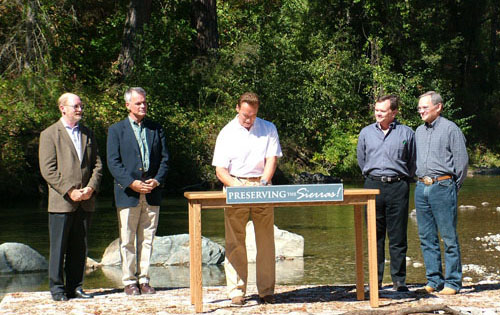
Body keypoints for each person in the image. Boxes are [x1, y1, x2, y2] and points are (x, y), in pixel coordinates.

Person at [212, 92, 282, 306]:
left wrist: (263, 183)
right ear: (237, 109)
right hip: (235, 184)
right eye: (244, 115)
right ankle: (236, 291)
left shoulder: (268, 128)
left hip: (261, 184)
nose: (248, 119)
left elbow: (272, 159)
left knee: (266, 241)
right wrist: (237, 188)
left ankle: (266, 290)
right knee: (235, 241)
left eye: (252, 115)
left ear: (257, 111)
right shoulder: (227, 132)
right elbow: (220, 170)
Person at [39, 93, 103, 301]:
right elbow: (48, 170)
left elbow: (98, 165)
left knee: (80, 247)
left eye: (81, 106)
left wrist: (91, 188)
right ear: (62, 108)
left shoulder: (88, 133)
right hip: (62, 202)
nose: (80, 109)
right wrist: (70, 191)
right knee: (59, 248)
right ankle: (57, 289)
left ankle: (75, 286)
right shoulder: (49, 134)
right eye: (75, 106)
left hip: (86, 201)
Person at [107, 87, 169, 296]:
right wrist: (131, 183)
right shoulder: (116, 130)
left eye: (144, 103)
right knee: (127, 239)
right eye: (138, 103)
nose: (143, 106)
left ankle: (144, 279)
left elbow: (165, 160)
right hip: (128, 193)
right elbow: (113, 162)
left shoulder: (156, 128)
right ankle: (129, 281)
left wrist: (157, 181)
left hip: (152, 191)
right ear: (128, 105)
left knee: (148, 239)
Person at [356, 95, 416, 292]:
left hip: (398, 186)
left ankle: (399, 281)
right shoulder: (365, 133)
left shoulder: (407, 133)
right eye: (376, 110)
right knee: (375, 235)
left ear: (394, 112)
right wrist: (372, 177)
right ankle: (376, 280)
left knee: (398, 236)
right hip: (372, 185)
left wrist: (403, 179)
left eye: (382, 111)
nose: (378, 114)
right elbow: (361, 160)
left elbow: (412, 162)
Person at [415, 91, 468, 295]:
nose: (421, 111)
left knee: (448, 236)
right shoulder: (418, 131)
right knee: (426, 236)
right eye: (419, 108)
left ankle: (453, 282)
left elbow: (461, 162)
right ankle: (433, 280)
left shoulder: (451, 129)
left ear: (438, 107)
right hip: (421, 188)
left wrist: (453, 187)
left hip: (443, 186)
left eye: (424, 107)